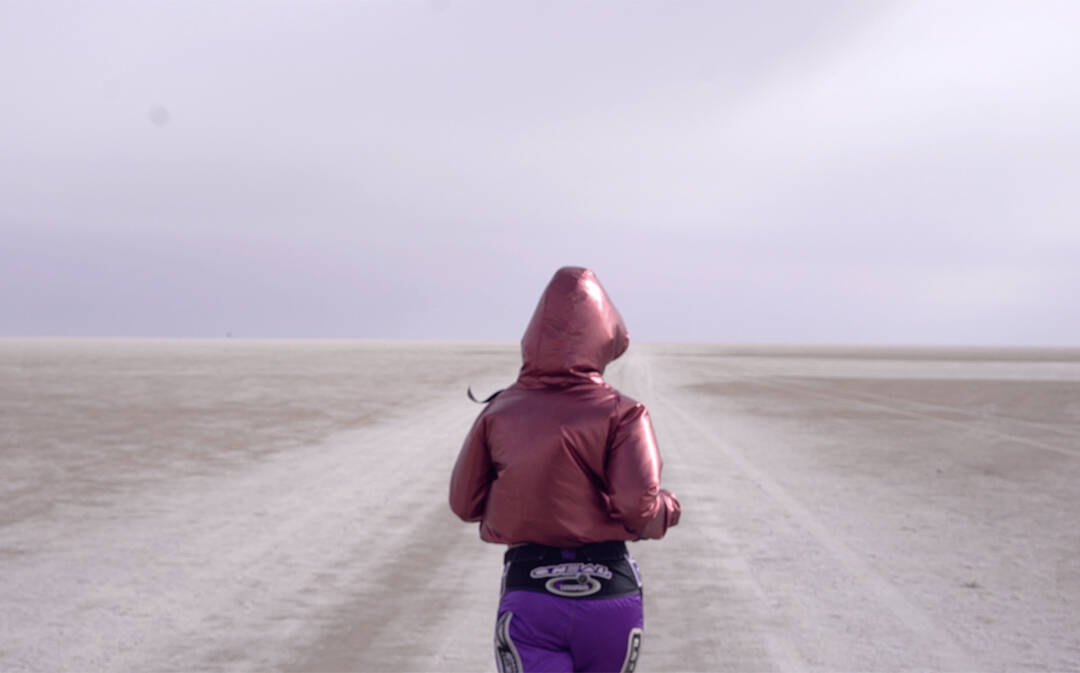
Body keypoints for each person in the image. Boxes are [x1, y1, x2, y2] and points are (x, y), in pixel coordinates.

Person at [449, 266, 681, 673]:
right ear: (605, 336)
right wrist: (669, 508)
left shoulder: (499, 411)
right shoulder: (625, 413)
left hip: (530, 590)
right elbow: (638, 507)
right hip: (610, 590)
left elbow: (464, 503)